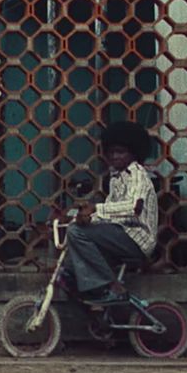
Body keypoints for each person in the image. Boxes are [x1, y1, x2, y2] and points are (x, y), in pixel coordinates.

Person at [61, 121, 159, 307]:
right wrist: (80, 217)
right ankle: (97, 296)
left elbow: (133, 208)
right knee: (77, 233)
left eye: (121, 152)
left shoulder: (137, 174)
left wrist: (95, 209)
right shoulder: (116, 178)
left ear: (133, 153)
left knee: (76, 232)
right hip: (120, 235)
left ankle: (112, 286)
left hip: (137, 239)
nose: (115, 156)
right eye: (111, 152)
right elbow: (110, 213)